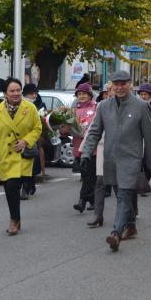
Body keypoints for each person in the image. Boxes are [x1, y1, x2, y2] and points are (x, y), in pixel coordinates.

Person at [80, 71, 151, 252]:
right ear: (112, 86)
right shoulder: (104, 106)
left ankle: (116, 232)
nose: (120, 87)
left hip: (131, 159)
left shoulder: (140, 106)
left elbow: (149, 135)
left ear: (130, 84)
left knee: (122, 194)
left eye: (124, 84)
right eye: (117, 84)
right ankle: (130, 225)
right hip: (111, 159)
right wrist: (85, 153)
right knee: (122, 193)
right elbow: (94, 131)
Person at [0, 77, 42, 236]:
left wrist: (26, 141)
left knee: (12, 187)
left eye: (18, 90)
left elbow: (37, 128)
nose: (16, 93)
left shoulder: (29, 108)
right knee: (9, 189)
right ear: (5, 93)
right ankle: (16, 217)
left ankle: (14, 220)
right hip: (5, 156)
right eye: (12, 91)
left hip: (22, 155)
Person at [64, 83, 98, 213]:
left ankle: (82, 201)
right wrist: (64, 129)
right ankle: (93, 200)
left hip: (93, 147)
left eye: (84, 94)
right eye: (79, 94)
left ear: (90, 95)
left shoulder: (97, 107)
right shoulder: (73, 110)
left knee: (90, 174)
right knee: (86, 175)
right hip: (79, 147)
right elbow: (67, 129)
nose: (82, 96)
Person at [21, 84, 47, 197]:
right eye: (32, 93)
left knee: (32, 162)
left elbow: (42, 121)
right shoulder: (19, 103)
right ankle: (27, 186)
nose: (34, 95)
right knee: (24, 164)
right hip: (21, 139)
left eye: (35, 93)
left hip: (34, 137)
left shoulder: (39, 103)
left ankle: (30, 184)